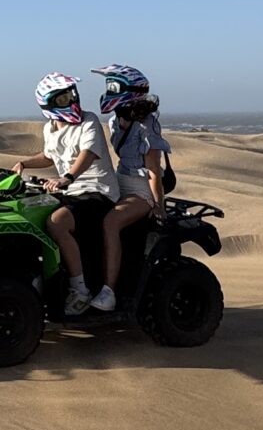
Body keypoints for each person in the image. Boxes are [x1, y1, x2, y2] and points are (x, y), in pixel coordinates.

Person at [14, 72, 120, 316]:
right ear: (49, 105)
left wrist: (67, 177)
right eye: (64, 98)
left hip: (96, 191)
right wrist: (24, 163)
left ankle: (80, 290)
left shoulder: (88, 122)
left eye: (73, 94)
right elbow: (50, 156)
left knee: (57, 222)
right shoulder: (50, 129)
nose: (72, 101)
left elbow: (88, 154)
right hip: (70, 193)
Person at [92, 63, 171, 310]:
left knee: (110, 222)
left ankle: (109, 292)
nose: (109, 90)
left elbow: (153, 172)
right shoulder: (116, 121)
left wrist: (158, 207)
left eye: (113, 86)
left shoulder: (147, 126)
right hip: (118, 183)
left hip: (140, 191)